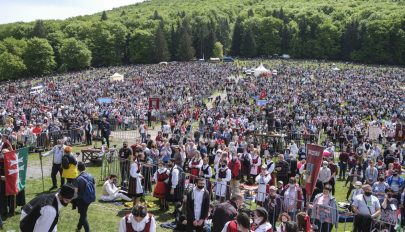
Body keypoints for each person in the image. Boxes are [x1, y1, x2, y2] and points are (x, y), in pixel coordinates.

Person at [73, 162, 95, 232]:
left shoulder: (77, 179)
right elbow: (94, 186)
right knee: (83, 214)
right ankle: (78, 228)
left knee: (83, 216)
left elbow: (75, 193)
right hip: (90, 198)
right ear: (84, 167)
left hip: (81, 200)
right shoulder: (90, 175)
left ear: (77, 169)